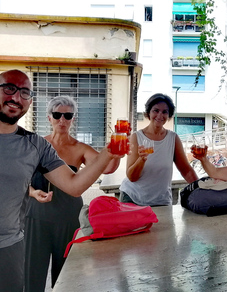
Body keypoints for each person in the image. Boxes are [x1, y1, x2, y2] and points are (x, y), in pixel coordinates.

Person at [0, 69, 121, 291]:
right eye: (57, 115)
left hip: (62, 219)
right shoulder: (39, 143)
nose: (62, 120)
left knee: (65, 275)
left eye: (67, 116)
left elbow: (100, 170)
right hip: (34, 216)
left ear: (73, 119)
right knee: (31, 276)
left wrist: (114, 151)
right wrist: (32, 192)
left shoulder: (50, 147)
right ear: (49, 117)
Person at [119, 93, 198, 206]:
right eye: (156, 110)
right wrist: (141, 159)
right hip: (133, 198)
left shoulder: (173, 138)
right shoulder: (136, 137)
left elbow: (186, 170)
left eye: (165, 112)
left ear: (169, 115)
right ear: (148, 113)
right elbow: (132, 177)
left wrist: (201, 190)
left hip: (162, 201)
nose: (160, 115)